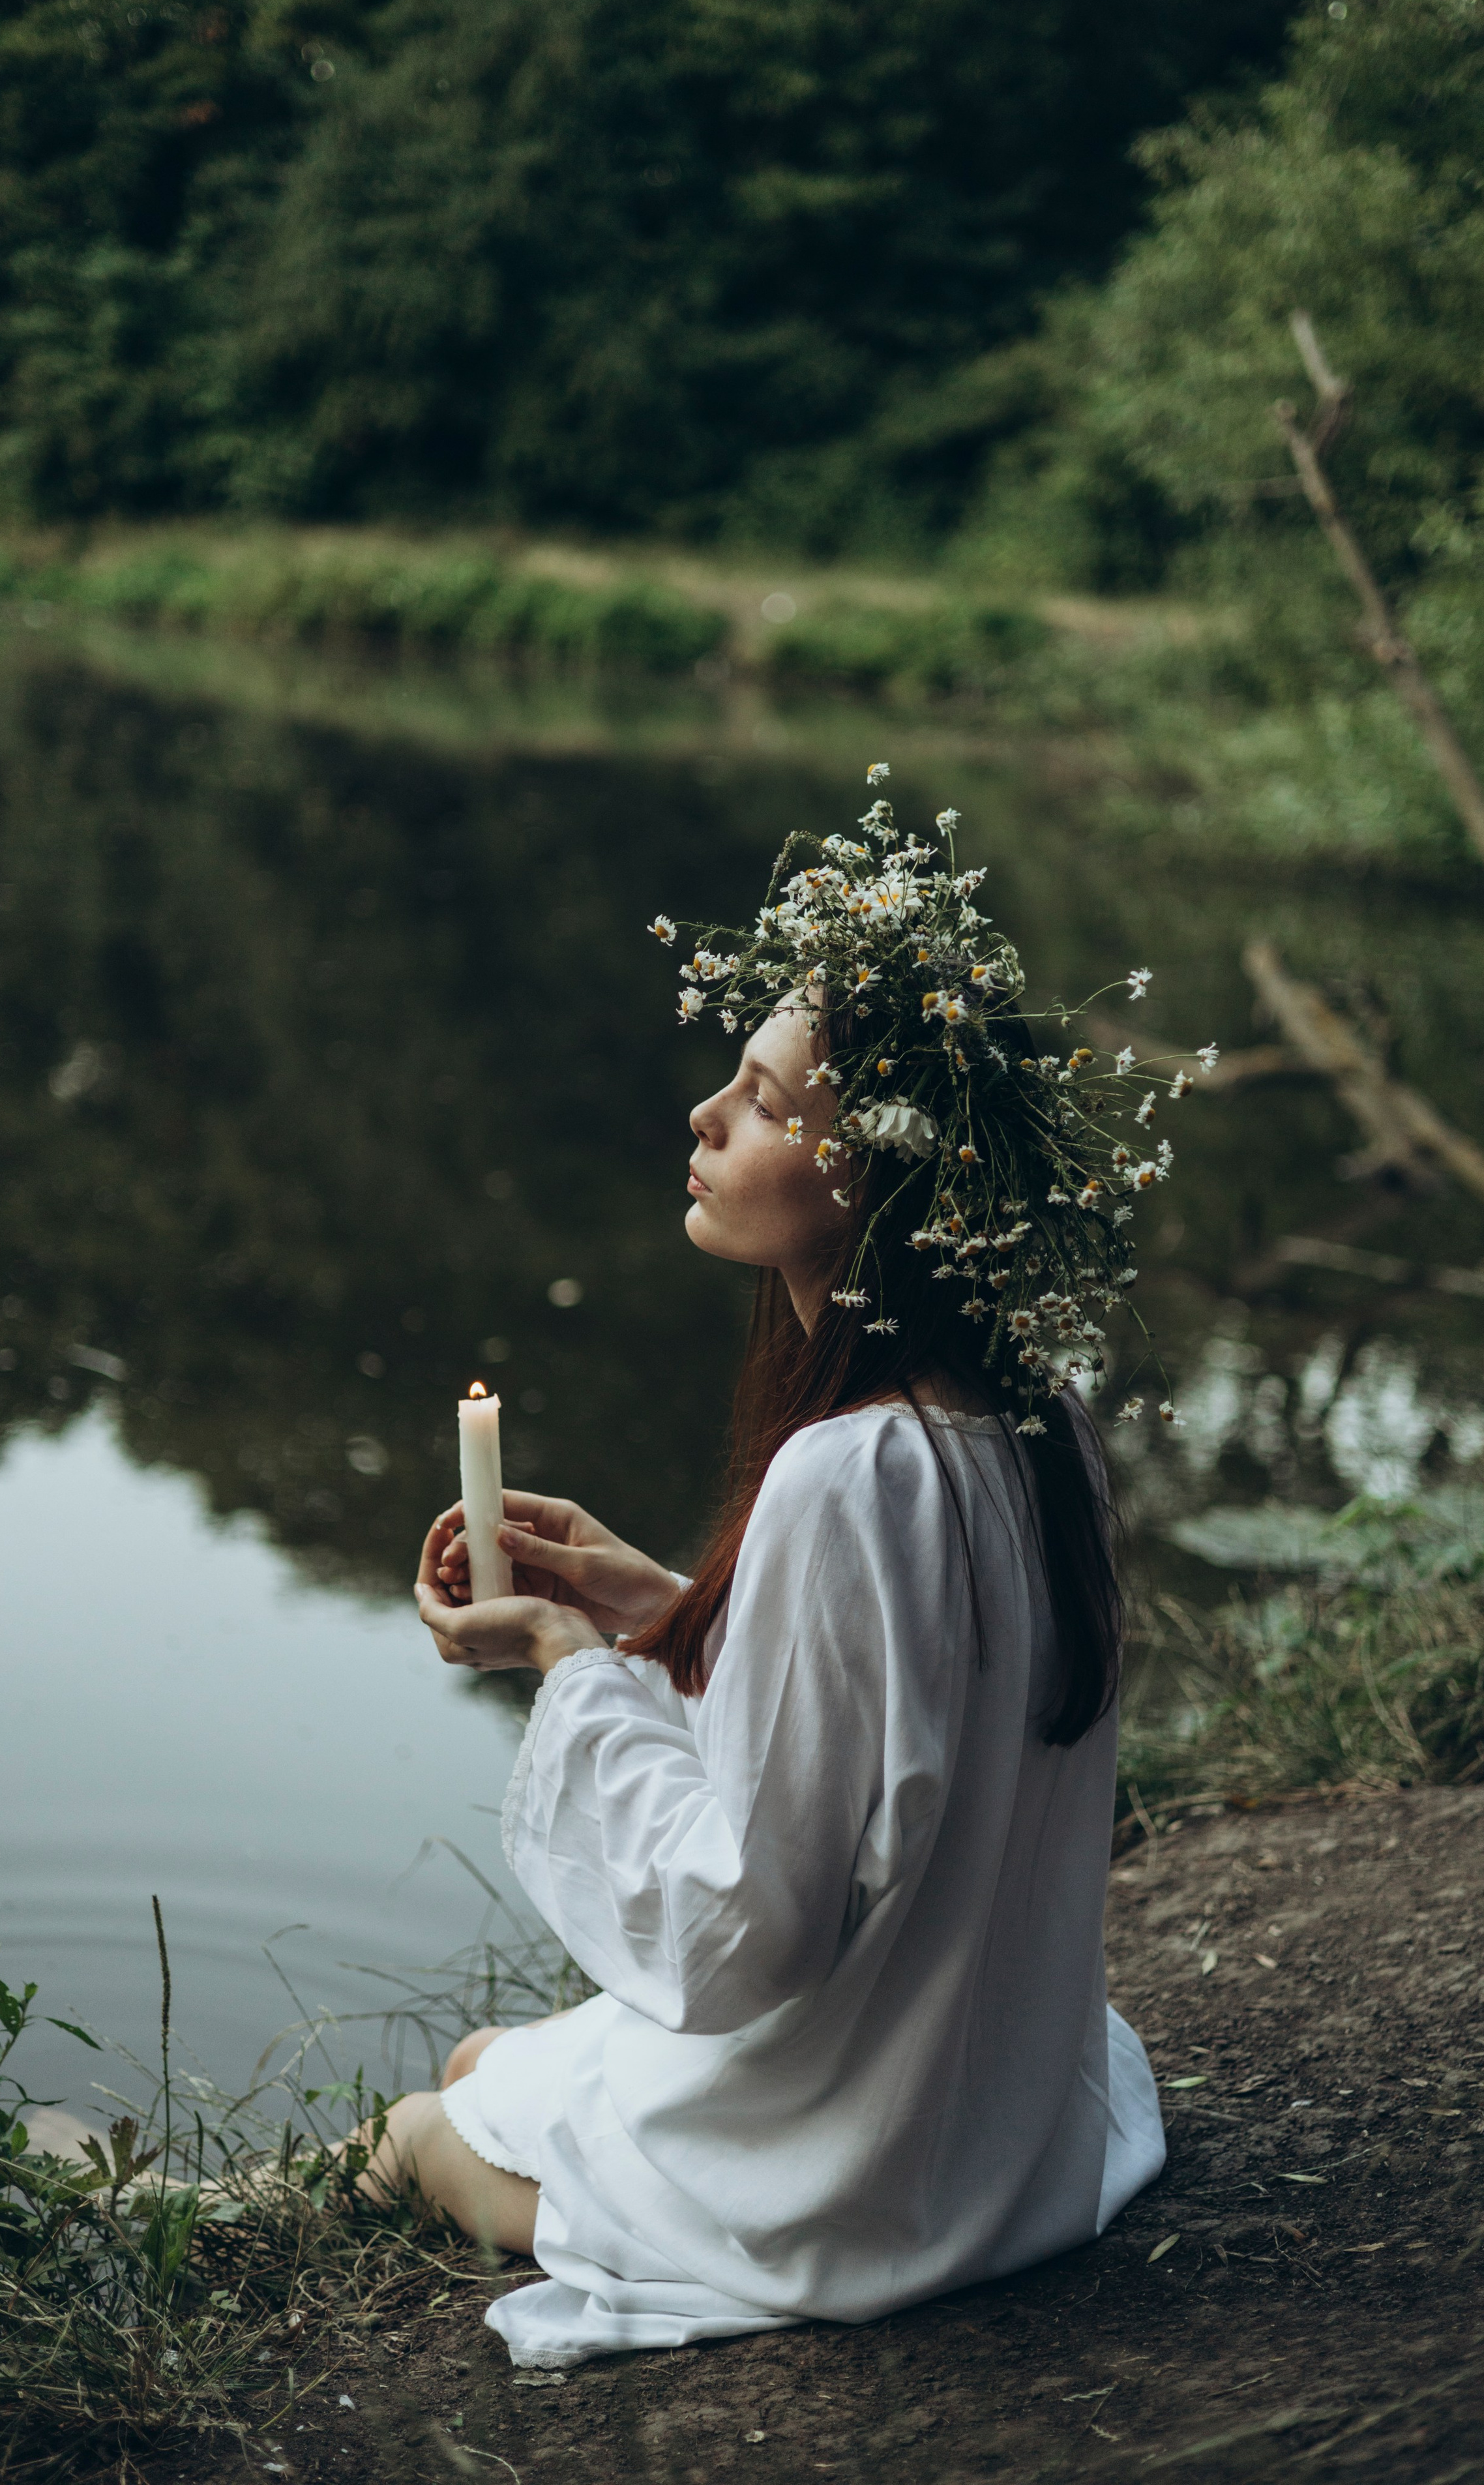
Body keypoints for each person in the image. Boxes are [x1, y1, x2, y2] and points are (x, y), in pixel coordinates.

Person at [359, 786, 1174, 2368]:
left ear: (864, 1175)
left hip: (857, 2177)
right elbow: (891, 1714)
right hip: (999, 2116)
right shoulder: (1034, 1416)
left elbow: (745, 1930)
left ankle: (186, 2205)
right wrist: (652, 1606)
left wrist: (560, 1661)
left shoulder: (843, 1469)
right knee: (491, 2060)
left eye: (751, 1101)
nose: (702, 1123)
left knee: (419, 2124)